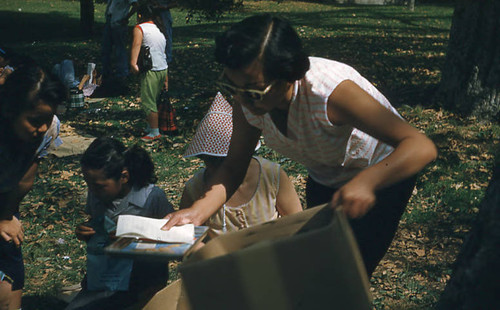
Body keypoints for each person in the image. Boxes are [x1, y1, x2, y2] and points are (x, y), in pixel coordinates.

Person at [162, 14, 438, 278]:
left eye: (252, 91)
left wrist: (367, 181)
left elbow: (419, 146)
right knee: (321, 269)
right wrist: (196, 212)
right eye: (231, 86)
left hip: (383, 177)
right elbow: (234, 166)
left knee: (351, 273)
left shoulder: (330, 93)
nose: (241, 100)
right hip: (326, 176)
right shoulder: (246, 100)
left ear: (287, 76)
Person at [66, 137, 174, 310]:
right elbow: (95, 223)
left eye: (99, 186)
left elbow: (172, 239)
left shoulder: (152, 198)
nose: (92, 190)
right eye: (88, 184)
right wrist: (85, 231)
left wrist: (135, 239)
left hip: (143, 282)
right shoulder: (96, 193)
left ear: (124, 177)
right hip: (105, 277)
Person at [180, 92, 302, 238]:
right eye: (210, 160)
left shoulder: (272, 176)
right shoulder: (196, 188)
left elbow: (297, 222)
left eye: (225, 160)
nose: (220, 168)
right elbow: (190, 239)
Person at [0, 65, 65, 310]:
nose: (40, 129)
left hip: (4, 199)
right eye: (34, 121)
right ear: (9, 111)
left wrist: (6, 215)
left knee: (9, 249)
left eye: (45, 121)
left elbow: (25, 177)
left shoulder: (48, 129)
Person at [130, 0, 169, 142]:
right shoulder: (160, 29)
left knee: (148, 101)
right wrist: (166, 79)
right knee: (155, 99)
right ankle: (151, 126)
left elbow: (137, 45)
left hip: (151, 69)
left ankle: (154, 132)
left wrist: (133, 63)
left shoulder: (140, 28)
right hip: (162, 68)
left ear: (140, 14)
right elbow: (163, 53)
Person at [100, 0, 138, 96]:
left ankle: (122, 74)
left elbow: (136, 5)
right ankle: (106, 73)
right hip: (109, 20)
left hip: (119, 22)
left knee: (120, 50)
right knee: (106, 49)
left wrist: (126, 17)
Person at [152, 0, 178, 64]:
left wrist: (164, 7)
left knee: (166, 36)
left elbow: (175, 3)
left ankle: (167, 58)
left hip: (164, 14)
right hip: (152, 14)